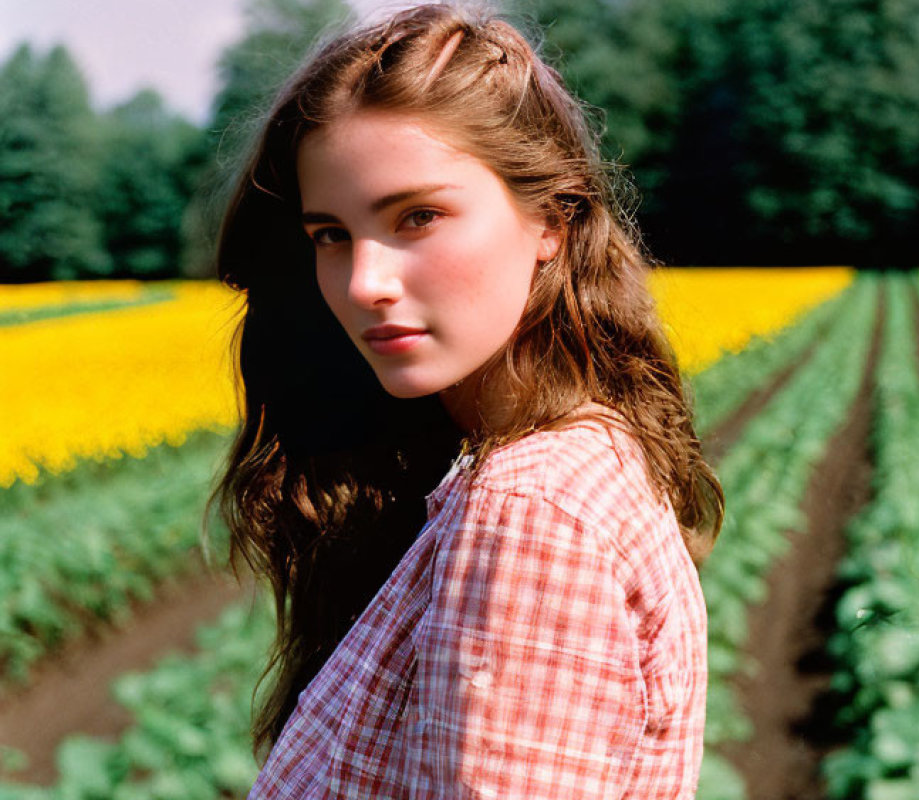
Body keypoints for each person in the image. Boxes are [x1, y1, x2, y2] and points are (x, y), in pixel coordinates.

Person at [211, 2, 724, 797]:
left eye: (418, 216)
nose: (363, 283)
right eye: (330, 234)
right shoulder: (569, 456)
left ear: (550, 219)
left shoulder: (529, 510)